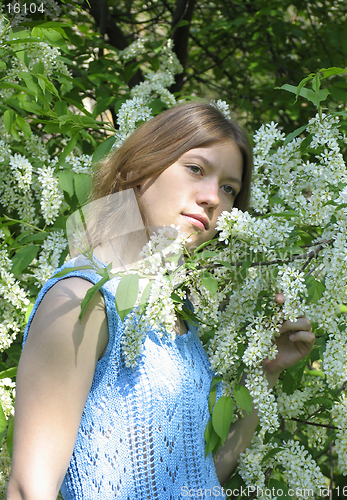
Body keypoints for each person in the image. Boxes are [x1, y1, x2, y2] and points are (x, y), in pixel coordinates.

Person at [7, 102, 315, 500]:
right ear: (141, 169)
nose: (213, 198)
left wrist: (267, 373)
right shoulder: (83, 298)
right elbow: (29, 488)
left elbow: (198, 480)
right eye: (196, 169)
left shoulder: (179, 320)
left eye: (229, 189)